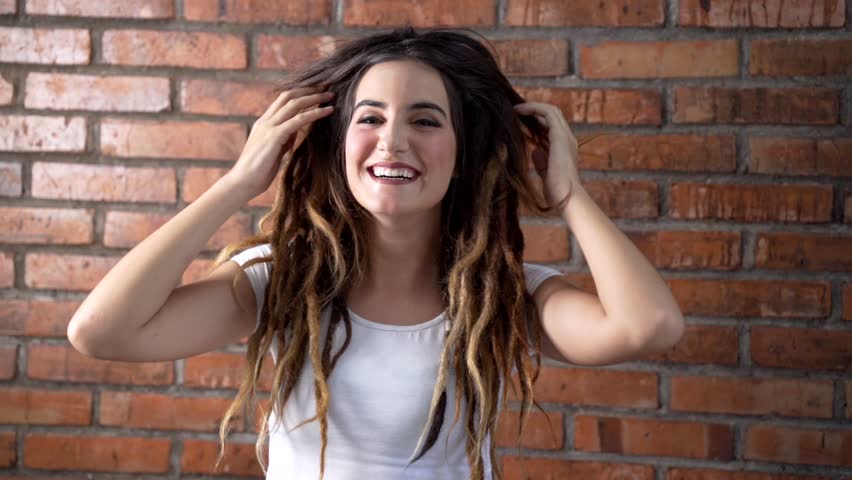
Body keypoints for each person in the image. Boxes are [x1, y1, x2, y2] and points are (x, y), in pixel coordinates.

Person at [67, 27, 685, 480]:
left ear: (461, 152)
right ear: (338, 146)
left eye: (424, 121)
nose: (393, 141)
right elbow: (100, 332)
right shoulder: (280, 283)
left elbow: (649, 325)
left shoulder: (503, 294)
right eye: (371, 117)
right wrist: (236, 184)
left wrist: (567, 192)